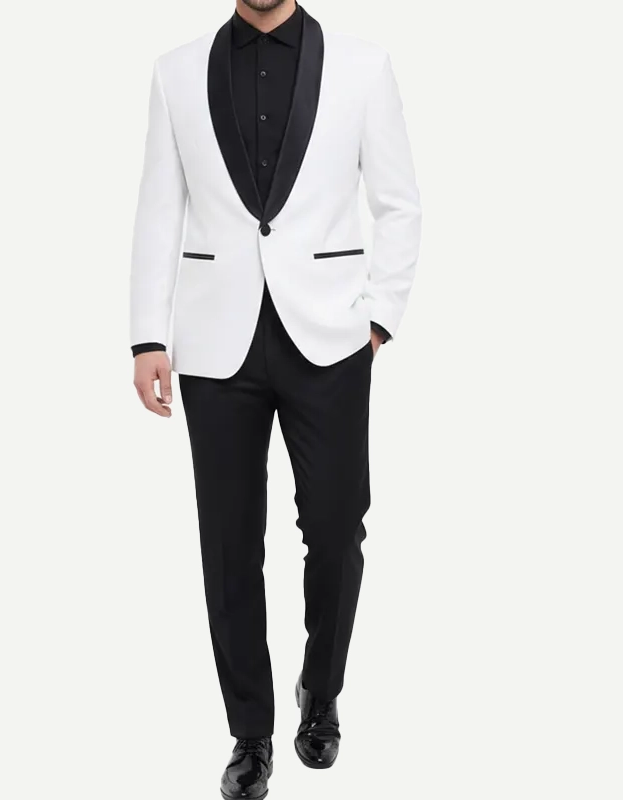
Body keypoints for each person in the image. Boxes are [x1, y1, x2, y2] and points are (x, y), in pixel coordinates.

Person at [130, 0, 421, 796]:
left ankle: (320, 692)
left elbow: (399, 203)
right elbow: (159, 207)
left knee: (336, 526)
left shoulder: (364, 65)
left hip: (331, 334)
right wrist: (147, 336)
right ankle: (250, 732)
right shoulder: (176, 72)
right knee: (228, 542)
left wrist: (380, 317)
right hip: (213, 339)